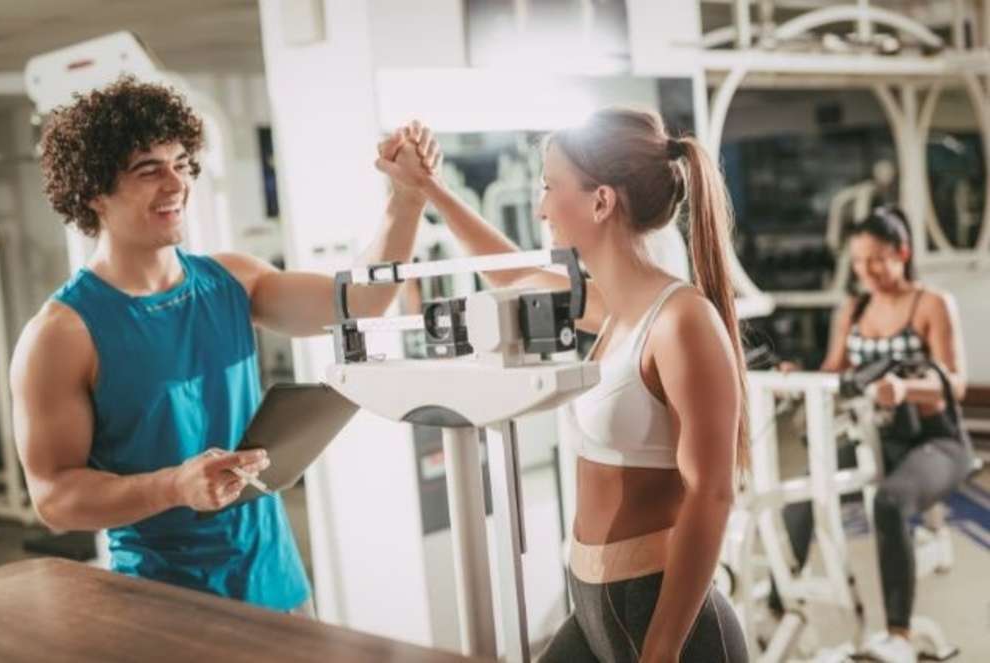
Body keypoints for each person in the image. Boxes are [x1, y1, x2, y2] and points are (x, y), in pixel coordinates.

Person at [10, 76, 424, 614]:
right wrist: (173, 487)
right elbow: (54, 498)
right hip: (166, 604)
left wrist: (407, 200)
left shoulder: (232, 281)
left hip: (279, 585)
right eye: (148, 169)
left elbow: (361, 302)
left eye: (181, 163)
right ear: (94, 191)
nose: (176, 183)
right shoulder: (61, 335)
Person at [378, 110, 750, 662]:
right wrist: (427, 187)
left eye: (550, 187)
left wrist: (663, 647)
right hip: (593, 605)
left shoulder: (681, 322)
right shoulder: (617, 308)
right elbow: (513, 273)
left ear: (601, 202)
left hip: (662, 619)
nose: (541, 206)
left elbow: (712, 491)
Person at [772, 206, 971, 663]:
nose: (867, 271)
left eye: (877, 259)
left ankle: (898, 636)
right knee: (799, 495)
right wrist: (795, 376)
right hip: (873, 438)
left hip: (935, 440)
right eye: (860, 262)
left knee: (889, 502)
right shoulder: (854, 308)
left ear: (902, 253)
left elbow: (954, 382)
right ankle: (782, 608)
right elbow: (833, 372)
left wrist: (904, 388)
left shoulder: (931, 304)